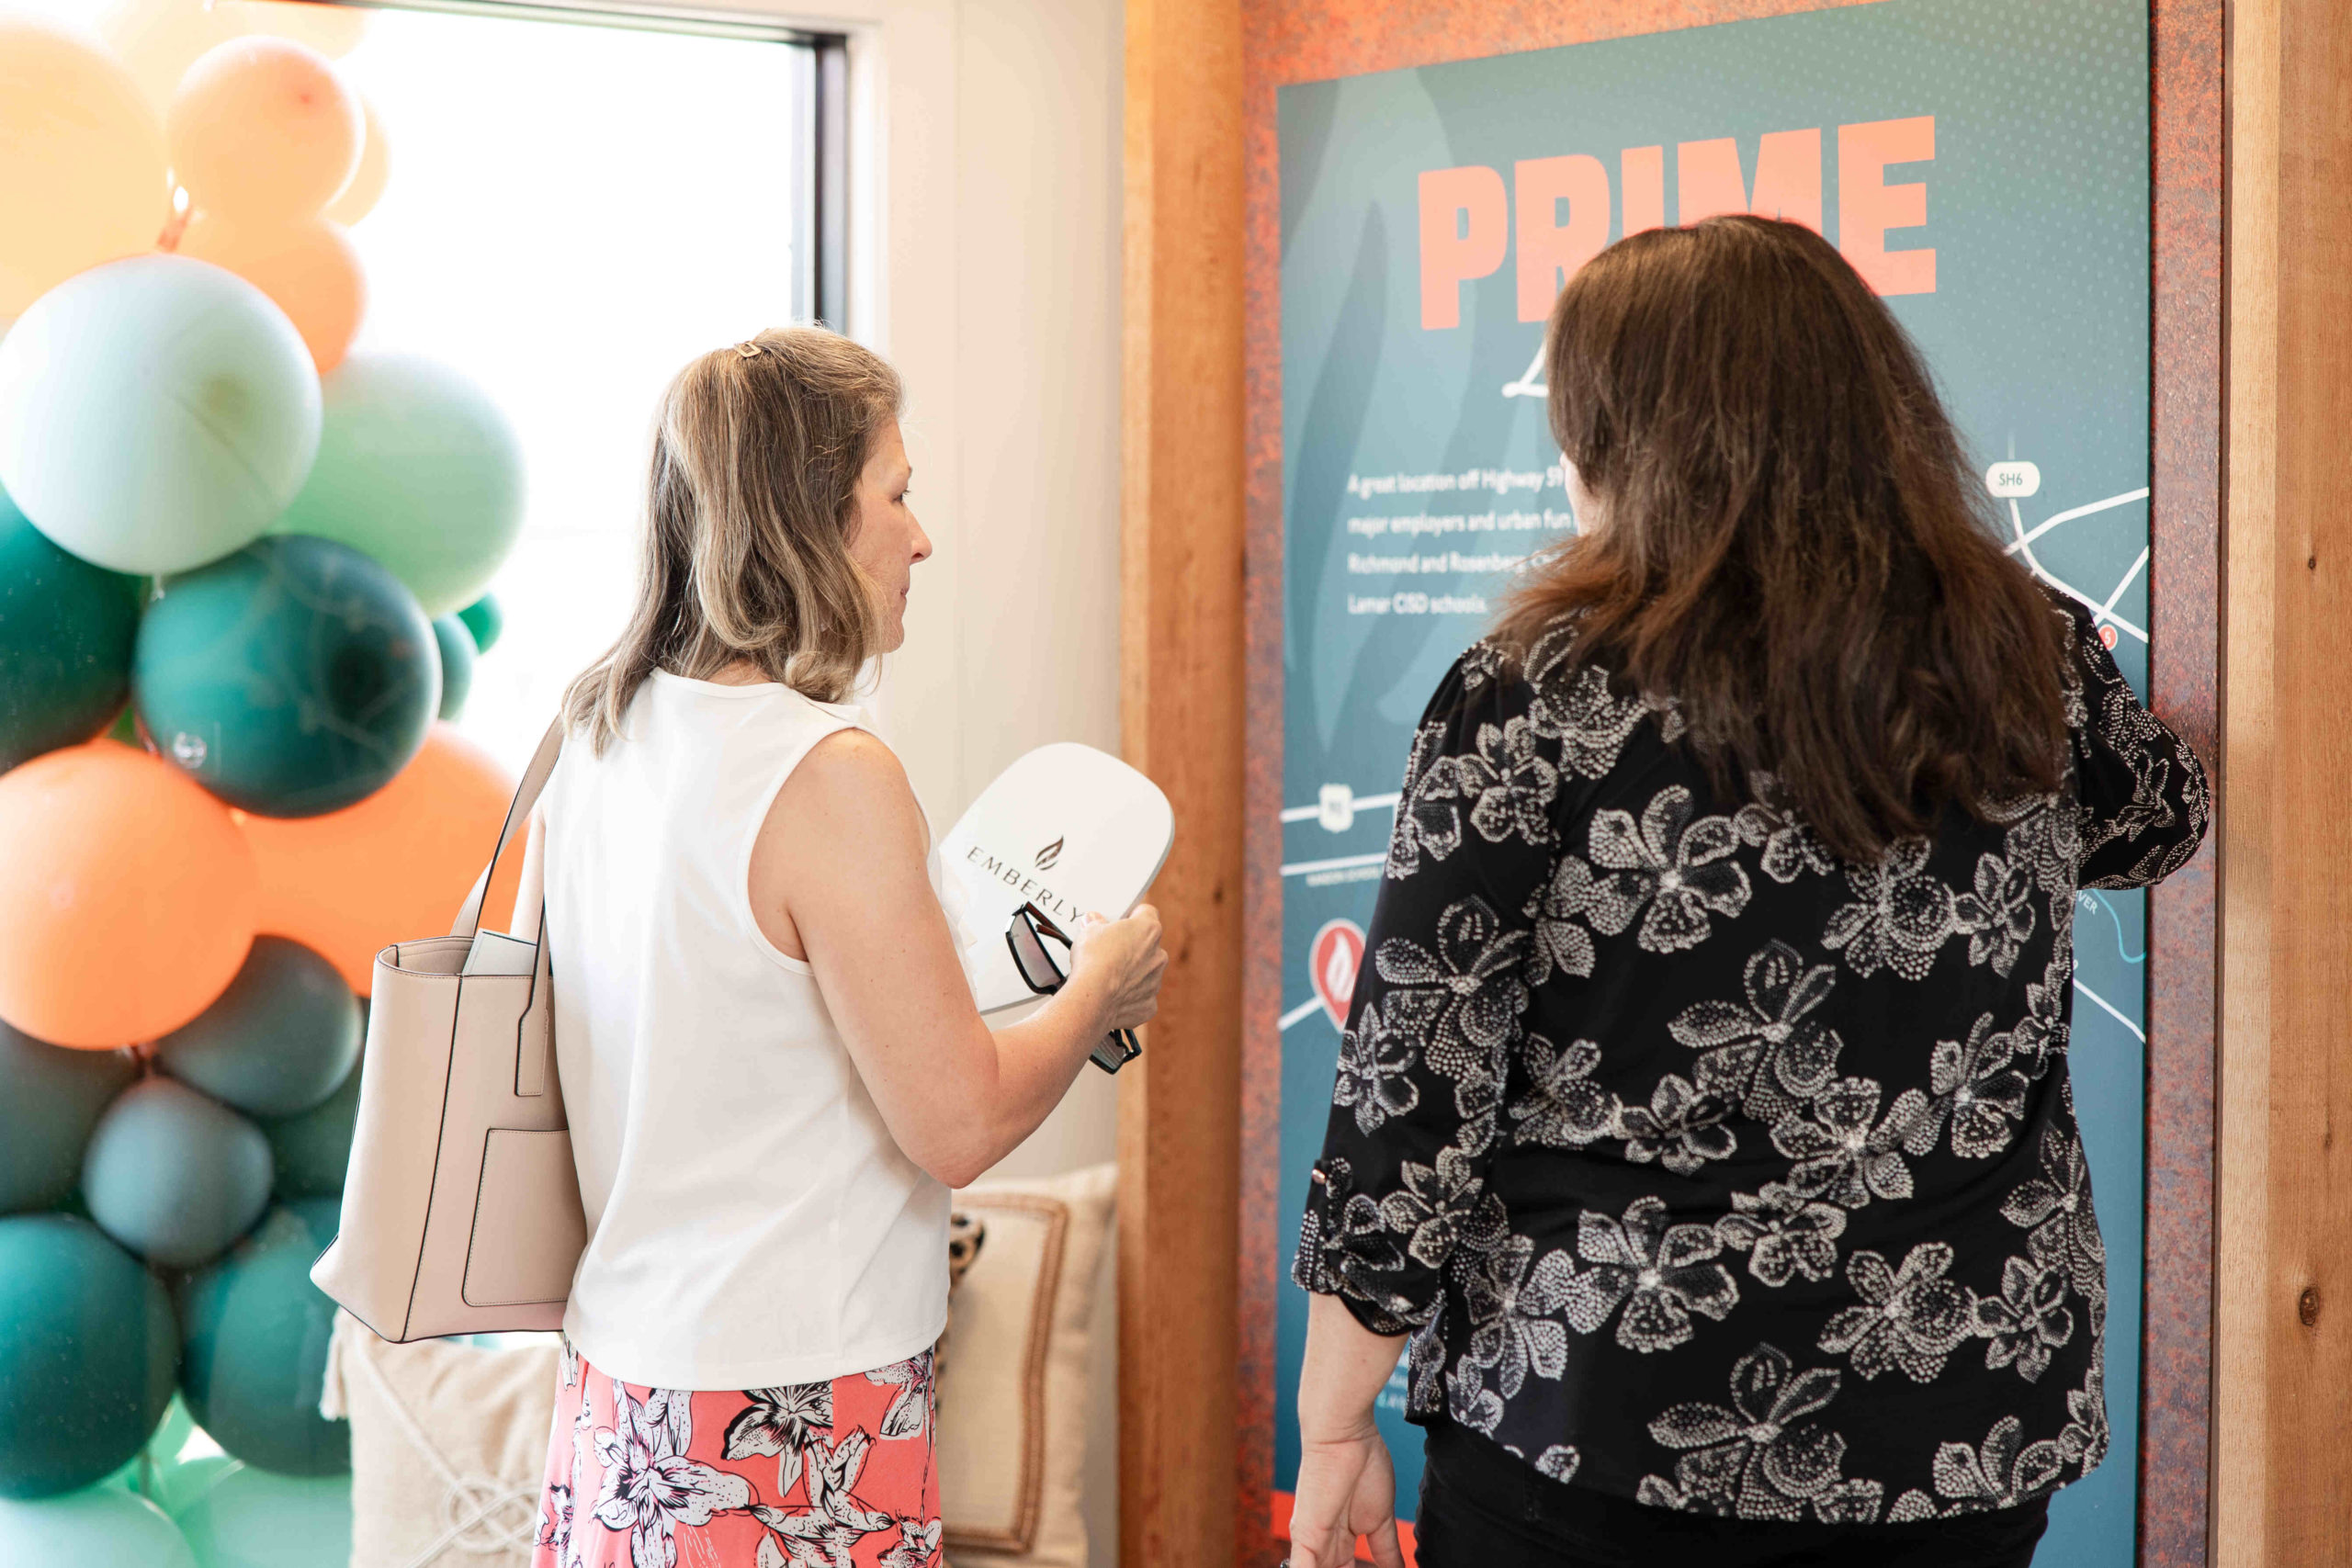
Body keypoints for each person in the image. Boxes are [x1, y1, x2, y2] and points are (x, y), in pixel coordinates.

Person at [1285, 216, 2207, 1568]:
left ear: (1626, 435)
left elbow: (1416, 1087)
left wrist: (1330, 1421)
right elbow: (2159, 819)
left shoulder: (1535, 694)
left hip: (1599, 1413)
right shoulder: (2025, 657)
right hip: (1956, 1414)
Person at [526, 327, 1167, 1568]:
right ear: (809, 518)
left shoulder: (596, 736)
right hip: (789, 1406)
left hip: (624, 1393)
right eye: (898, 493)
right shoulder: (828, 776)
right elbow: (958, 1125)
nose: (920, 537)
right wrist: (1097, 991)